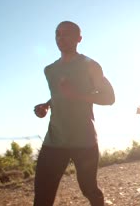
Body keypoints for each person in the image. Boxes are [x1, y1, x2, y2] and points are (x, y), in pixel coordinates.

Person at [33, 21, 115, 206]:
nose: (61, 38)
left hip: (84, 140)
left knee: (89, 189)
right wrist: (45, 106)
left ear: (79, 38)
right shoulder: (50, 70)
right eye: (58, 34)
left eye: (67, 34)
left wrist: (76, 95)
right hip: (54, 140)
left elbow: (109, 98)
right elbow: (58, 96)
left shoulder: (90, 66)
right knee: (42, 197)